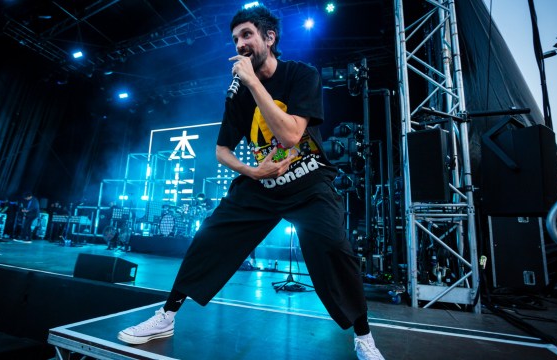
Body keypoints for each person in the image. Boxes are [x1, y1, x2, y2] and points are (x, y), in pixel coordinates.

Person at [117, 5, 384, 359]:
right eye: (235, 39)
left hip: (308, 182)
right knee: (208, 237)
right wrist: (253, 172)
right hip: (264, 183)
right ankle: (167, 315)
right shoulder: (237, 93)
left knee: (335, 249)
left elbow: (290, 136)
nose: (240, 44)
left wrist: (253, 82)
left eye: (247, 35)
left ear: (269, 38)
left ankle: (364, 338)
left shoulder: (301, 74)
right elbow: (222, 151)